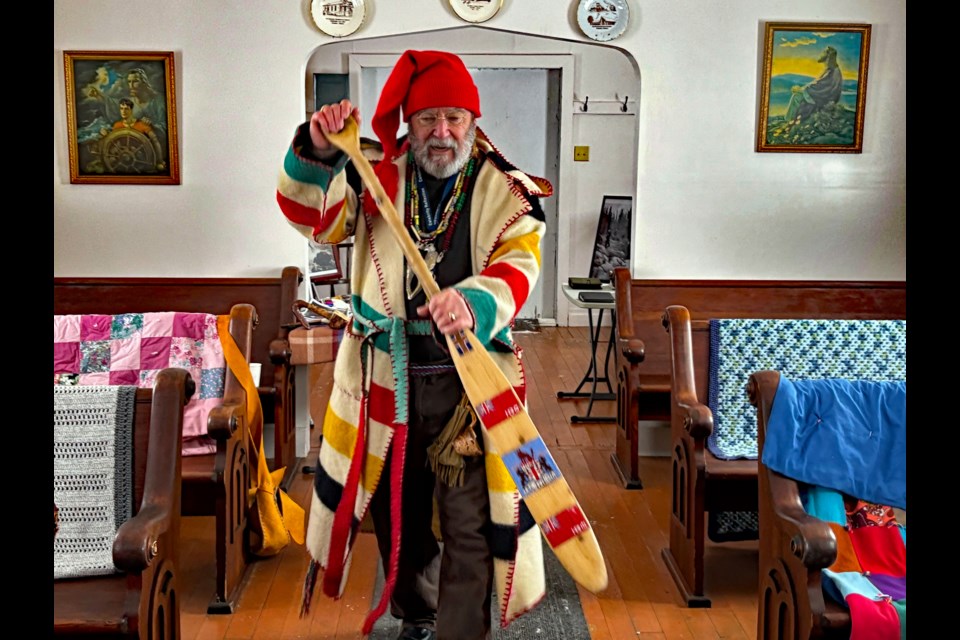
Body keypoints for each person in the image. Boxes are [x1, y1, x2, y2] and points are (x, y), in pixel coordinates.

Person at [276, 50, 552, 640]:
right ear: (408, 123)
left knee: (470, 526)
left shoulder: (506, 188)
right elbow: (312, 219)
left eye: (454, 117)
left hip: (470, 391)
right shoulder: (374, 171)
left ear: (473, 122)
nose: (442, 132)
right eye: (428, 119)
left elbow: (519, 263)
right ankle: (415, 615)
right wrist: (322, 149)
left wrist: (473, 302)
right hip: (386, 375)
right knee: (398, 514)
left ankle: (459, 632)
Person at [784, 45, 844, 123]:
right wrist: (802, 89)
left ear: (828, 56)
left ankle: (789, 120)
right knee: (797, 95)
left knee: (796, 97)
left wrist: (802, 89)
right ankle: (790, 120)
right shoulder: (830, 69)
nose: (821, 54)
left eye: (823, 52)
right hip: (820, 95)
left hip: (824, 98)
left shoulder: (833, 71)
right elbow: (818, 83)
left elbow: (822, 86)